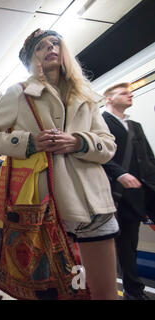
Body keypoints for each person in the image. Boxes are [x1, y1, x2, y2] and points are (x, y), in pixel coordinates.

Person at [0, 28, 120, 300]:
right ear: (32, 60)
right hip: (49, 209)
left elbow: (108, 145)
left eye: (55, 43)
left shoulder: (85, 95)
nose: (50, 48)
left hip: (95, 203)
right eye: (41, 47)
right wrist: (30, 141)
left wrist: (78, 142)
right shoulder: (19, 93)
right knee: (63, 294)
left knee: (105, 293)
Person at [102, 83, 155, 300]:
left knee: (128, 246)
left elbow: (149, 159)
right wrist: (120, 174)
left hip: (147, 193)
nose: (129, 95)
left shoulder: (135, 125)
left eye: (130, 92)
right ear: (108, 99)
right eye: (123, 93)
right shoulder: (102, 125)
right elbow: (101, 158)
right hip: (121, 197)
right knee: (127, 247)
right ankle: (134, 293)